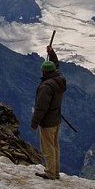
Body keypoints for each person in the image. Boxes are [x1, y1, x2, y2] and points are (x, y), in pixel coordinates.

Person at [31, 44, 67, 180]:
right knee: (55, 146)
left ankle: (51, 172)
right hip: (56, 119)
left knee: (48, 148)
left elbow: (41, 107)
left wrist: (35, 122)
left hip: (47, 121)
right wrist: (51, 53)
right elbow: (56, 66)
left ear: (44, 72)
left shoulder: (46, 87)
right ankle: (55, 171)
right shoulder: (59, 80)